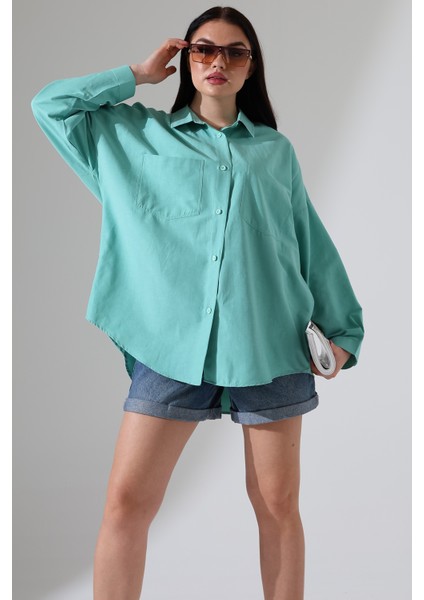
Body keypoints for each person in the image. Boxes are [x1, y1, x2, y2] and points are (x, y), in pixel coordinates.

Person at [31, 5, 364, 600]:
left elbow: (306, 242)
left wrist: (343, 332)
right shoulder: (134, 137)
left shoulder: (274, 152)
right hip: (170, 347)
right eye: (204, 49)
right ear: (186, 59)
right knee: (126, 504)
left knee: (277, 506)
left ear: (250, 67)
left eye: (235, 52)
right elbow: (49, 105)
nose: (218, 62)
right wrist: (136, 75)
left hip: (269, 344)